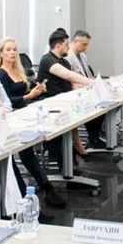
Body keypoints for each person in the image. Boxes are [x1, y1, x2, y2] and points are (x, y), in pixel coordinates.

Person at [0, 36, 67, 208]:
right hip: (12, 117)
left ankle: (47, 184)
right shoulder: (1, 74)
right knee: (26, 151)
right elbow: (7, 101)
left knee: (34, 146)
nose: (12, 53)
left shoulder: (18, 71)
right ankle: (45, 187)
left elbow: (26, 91)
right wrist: (28, 96)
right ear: (1, 54)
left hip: (25, 113)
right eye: (8, 50)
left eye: (14, 49)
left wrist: (37, 89)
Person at [37, 30, 95, 160]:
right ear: (58, 45)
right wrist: (92, 83)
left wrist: (82, 87)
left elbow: (72, 82)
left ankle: (79, 148)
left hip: (65, 101)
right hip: (51, 104)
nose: (68, 47)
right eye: (66, 44)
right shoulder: (47, 60)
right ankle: (69, 157)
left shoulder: (64, 62)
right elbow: (67, 75)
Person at [66, 30, 107, 147]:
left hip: (87, 88)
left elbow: (88, 75)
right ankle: (93, 137)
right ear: (75, 41)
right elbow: (72, 78)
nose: (86, 47)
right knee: (96, 107)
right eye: (84, 44)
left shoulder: (83, 56)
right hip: (77, 91)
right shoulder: (68, 57)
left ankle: (94, 136)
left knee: (103, 105)